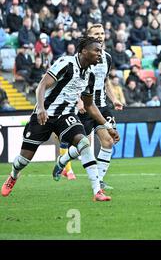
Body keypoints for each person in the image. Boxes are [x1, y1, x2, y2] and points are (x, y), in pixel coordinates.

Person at [1, 37, 120, 201]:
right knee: (23, 160)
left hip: (66, 116)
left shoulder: (90, 76)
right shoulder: (66, 63)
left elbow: (90, 106)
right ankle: (14, 175)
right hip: (44, 115)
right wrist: (41, 108)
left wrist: (107, 126)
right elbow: (42, 85)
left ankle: (97, 191)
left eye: (101, 51)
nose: (100, 54)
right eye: (97, 51)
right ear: (84, 51)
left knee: (84, 143)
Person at [76, 24, 124, 190]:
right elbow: (74, 81)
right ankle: (62, 161)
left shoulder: (108, 58)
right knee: (83, 146)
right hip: (85, 106)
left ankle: (99, 180)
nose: (100, 36)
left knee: (109, 141)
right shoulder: (81, 57)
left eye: (102, 33)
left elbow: (105, 81)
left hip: (102, 105)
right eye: (96, 33)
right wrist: (79, 101)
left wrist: (114, 99)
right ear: (89, 36)